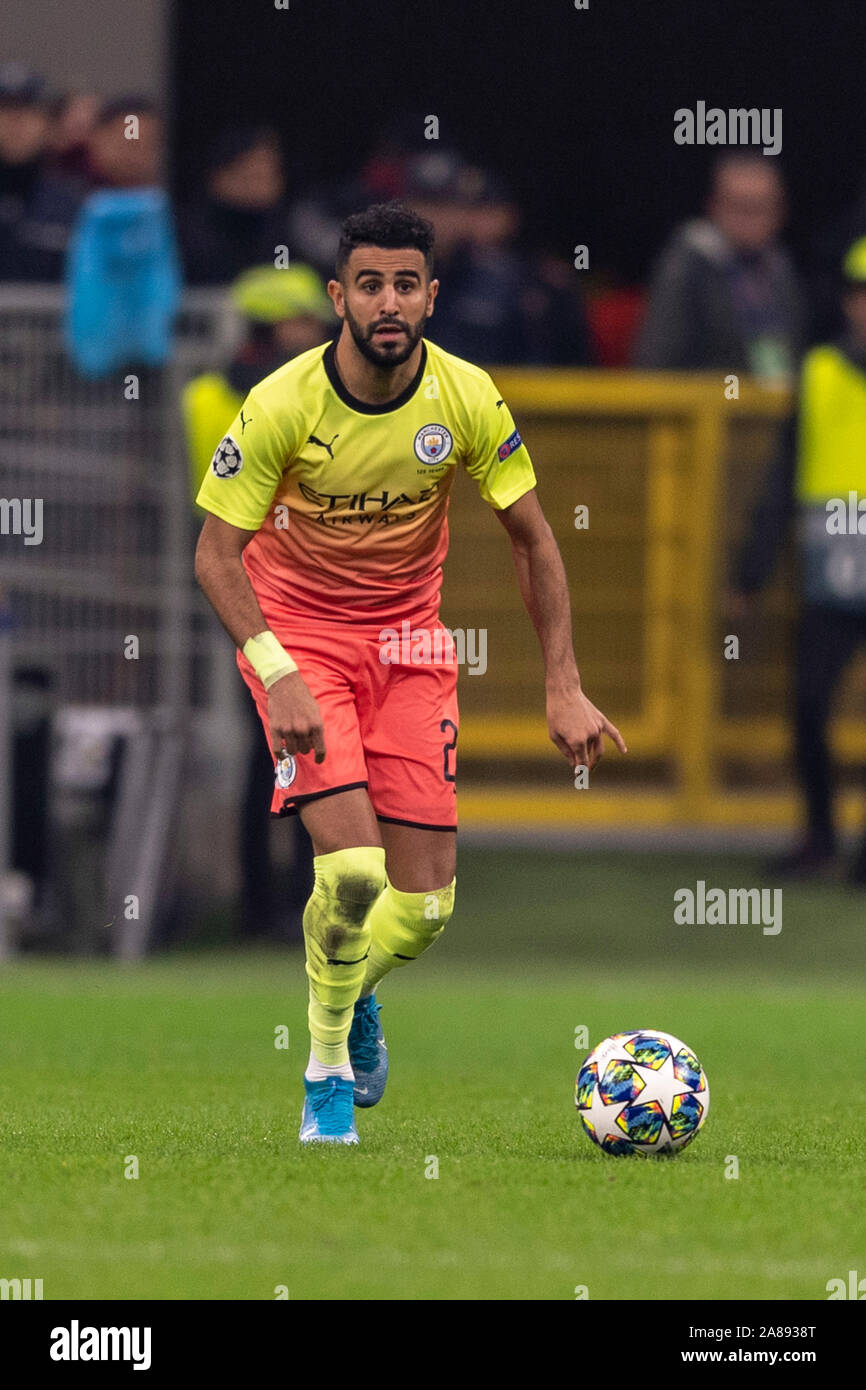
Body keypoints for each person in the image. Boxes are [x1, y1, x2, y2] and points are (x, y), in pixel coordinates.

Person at [193, 202, 626, 1144]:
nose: (387, 302)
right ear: (340, 297)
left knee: (424, 909)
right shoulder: (281, 403)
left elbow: (533, 539)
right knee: (350, 874)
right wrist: (275, 671)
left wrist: (563, 682)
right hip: (302, 641)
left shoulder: (466, 396)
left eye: (405, 284)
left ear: (430, 296)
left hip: (411, 648)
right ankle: (324, 1075)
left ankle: (355, 995)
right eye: (369, 284)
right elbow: (216, 556)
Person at [182, 265, 334, 938]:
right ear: (271, 328)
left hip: (254, 587)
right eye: (301, 324)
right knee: (298, 747)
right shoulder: (291, 400)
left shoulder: (206, 396)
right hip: (273, 587)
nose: (315, 338)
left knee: (276, 750)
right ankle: (285, 905)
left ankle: (269, 906)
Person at [732, 238, 866, 882]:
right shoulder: (818, 374)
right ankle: (820, 836)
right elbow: (783, 478)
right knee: (809, 705)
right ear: (847, 303)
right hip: (829, 585)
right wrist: (751, 572)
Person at [634, 153, 804, 381]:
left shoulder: (780, 268)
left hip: (772, 409)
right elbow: (658, 364)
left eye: (762, 207)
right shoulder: (686, 267)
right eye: (740, 207)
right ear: (713, 206)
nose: (751, 219)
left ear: (780, 211)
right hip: (707, 411)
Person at [177, 127, 295, 286]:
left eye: (269, 175)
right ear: (218, 177)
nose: (260, 186)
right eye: (250, 176)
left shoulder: (286, 236)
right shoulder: (189, 235)